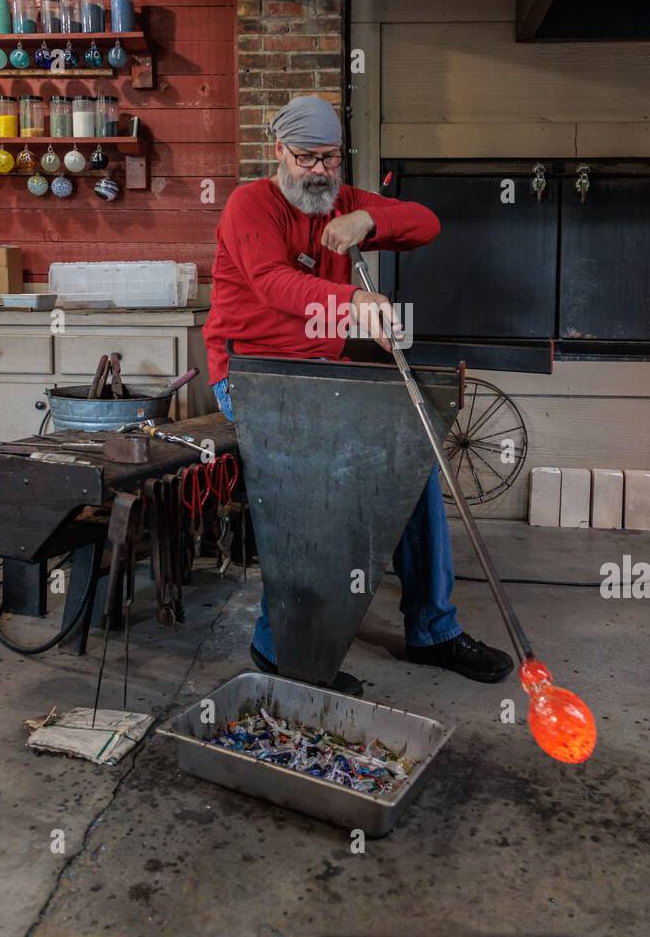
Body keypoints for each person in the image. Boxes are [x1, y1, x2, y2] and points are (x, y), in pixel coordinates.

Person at [203, 95, 512, 695]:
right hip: (251, 377)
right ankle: (280, 646)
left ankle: (433, 629)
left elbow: (427, 223)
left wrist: (371, 221)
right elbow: (273, 285)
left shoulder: (342, 202)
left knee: (413, 460)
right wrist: (352, 302)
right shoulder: (249, 206)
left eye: (330, 159)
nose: (319, 171)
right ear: (278, 152)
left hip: (323, 379)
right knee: (313, 486)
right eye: (306, 158)